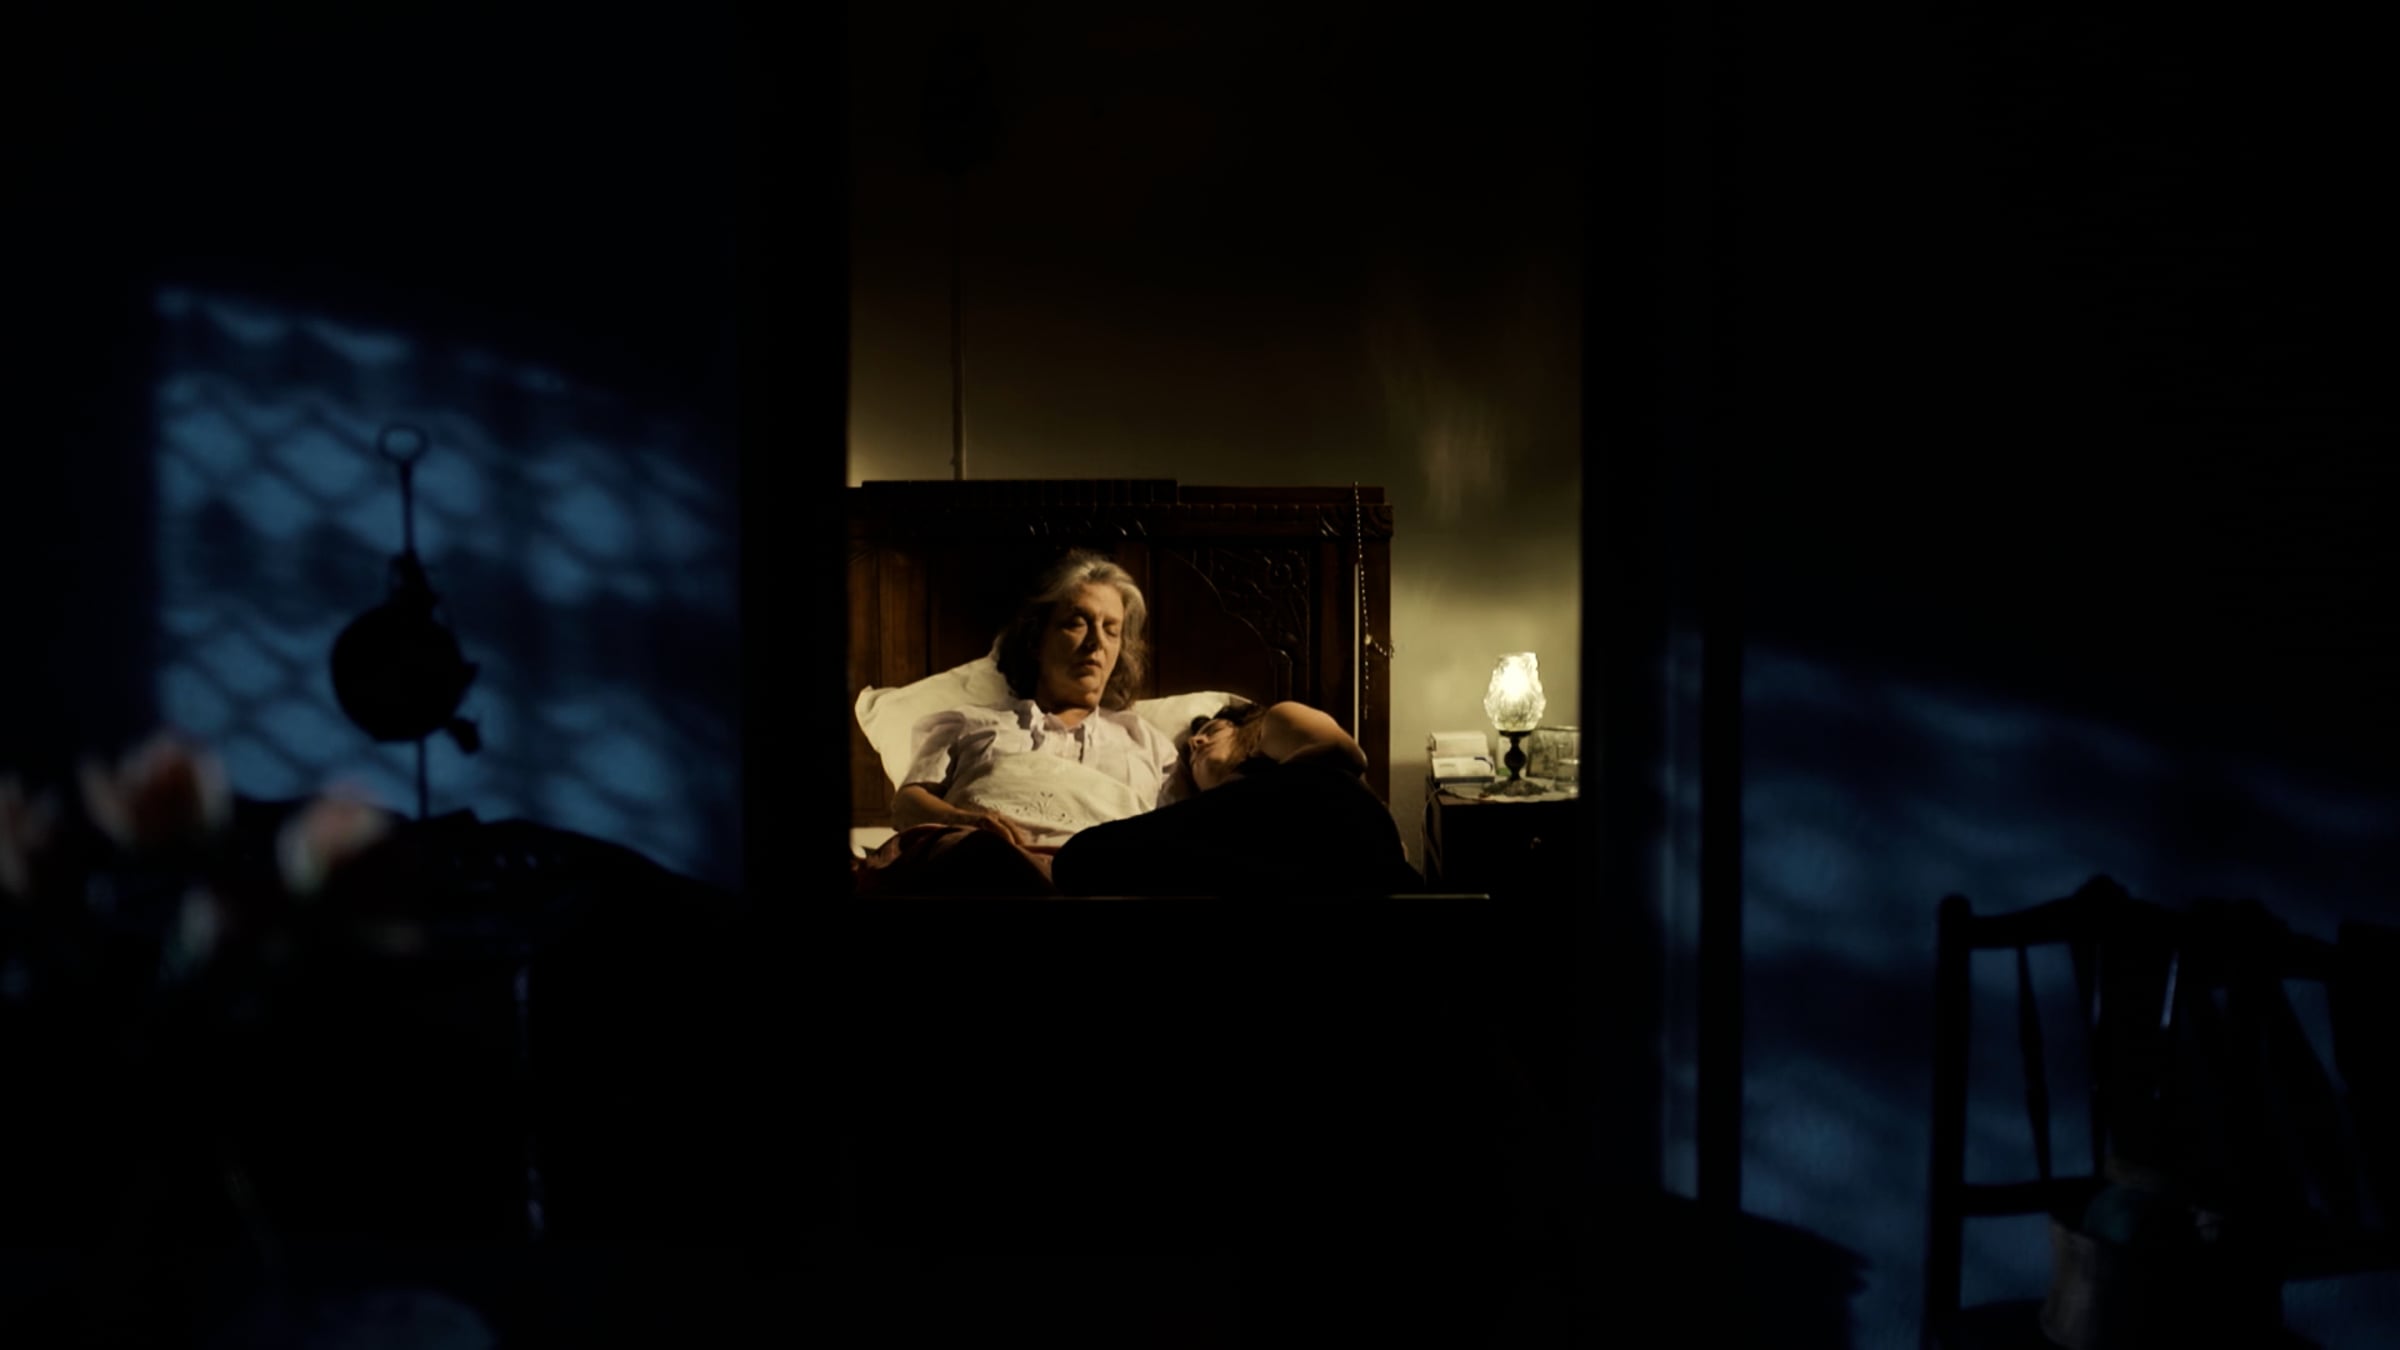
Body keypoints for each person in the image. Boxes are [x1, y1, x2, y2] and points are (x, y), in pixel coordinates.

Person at [857, 550, 1181, 894]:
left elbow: (1176, 842)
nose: (1096, 642)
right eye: (1076, 622)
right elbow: (907, 805)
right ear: (1036, 639)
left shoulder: (1148, 743)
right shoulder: (968, 724)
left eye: (1111, 630)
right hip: (979, 867)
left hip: (1096, 879)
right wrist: (966, 822)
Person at [1052, 699, 1424, 897]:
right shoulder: (1210, 826)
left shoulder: (1275, 723)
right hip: (1268, 870)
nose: (1195, 741)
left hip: (1326, 817)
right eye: (1190, 748)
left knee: (1081, 856)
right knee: (1080, 860)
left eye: (1211, 730)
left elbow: (1346, 755)